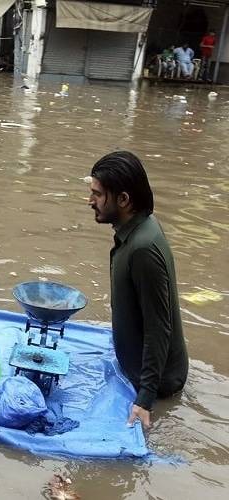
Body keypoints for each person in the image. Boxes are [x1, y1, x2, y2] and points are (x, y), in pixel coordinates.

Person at [87, 151, 188, 431]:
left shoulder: (143, 249)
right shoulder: (138, 230)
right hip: (138, 369)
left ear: (123, 199)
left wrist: (144, 400)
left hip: (157, 383)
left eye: (97, 194)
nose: (90, 201)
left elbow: (159, 328)